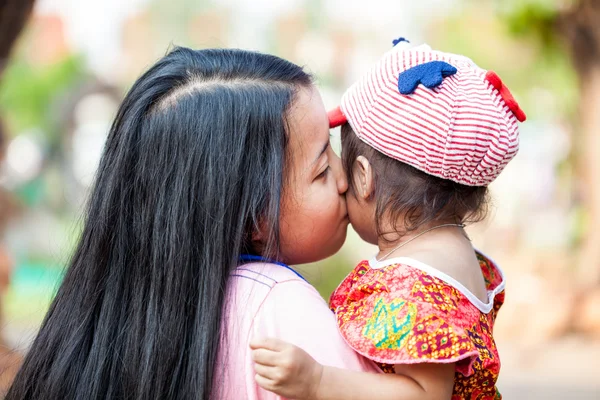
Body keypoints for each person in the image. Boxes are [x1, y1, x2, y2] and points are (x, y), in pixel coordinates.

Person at [6, 46, 375, 400]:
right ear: (254, 218)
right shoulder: (282, 311)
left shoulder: (107, 326)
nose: (344, 179)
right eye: (323, 169)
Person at [251, 42, 526, 400]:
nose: (340, 183)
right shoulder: (454, 255)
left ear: (364, 178)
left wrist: (317, 381)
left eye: (339, 166)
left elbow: (425, 394)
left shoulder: (412, 283)